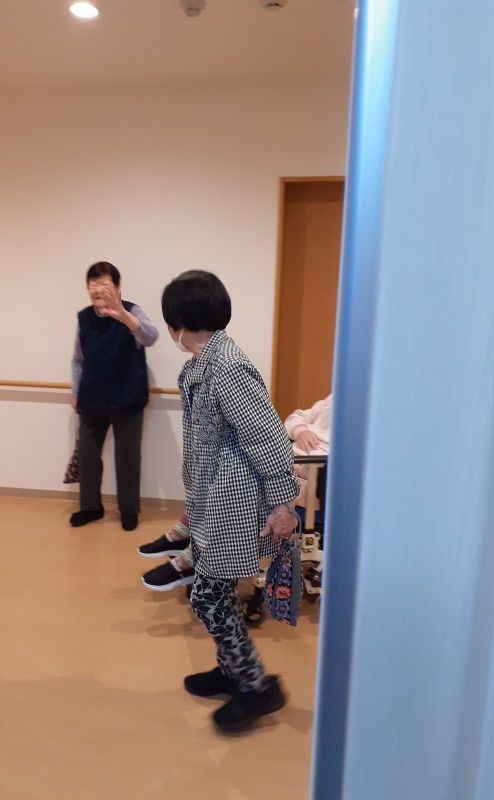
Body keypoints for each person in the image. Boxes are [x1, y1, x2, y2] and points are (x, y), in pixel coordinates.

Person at [161, 269, 300, 734]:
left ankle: (257, 686)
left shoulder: (227, 368)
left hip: (232, 505)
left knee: (206, 596)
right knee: (214, 592)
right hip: (210, 503)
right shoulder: (201, 366)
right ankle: (232, 671)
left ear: (180, 321)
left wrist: (283, 504)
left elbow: (268, 437)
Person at [138, 394, 332, 591]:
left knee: (236, 488)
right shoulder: (334, 399)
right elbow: (296, 417)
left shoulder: (352, 423)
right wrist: (301, 431)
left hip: (317, 477)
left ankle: (187, 556)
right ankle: (182, 538)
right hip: (290, 461)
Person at [69, 261, 159, 531]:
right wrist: (75, 392)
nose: (98, 289)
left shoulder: (132, 311)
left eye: (104, 284)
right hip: (91, 399)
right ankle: (90, 507)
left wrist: (123, 316)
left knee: (127, 459)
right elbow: (78, 360)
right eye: (93, 284)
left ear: (117, 288)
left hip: (127, 398)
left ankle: (128, 511)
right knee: (87, 456)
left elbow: (151, 337)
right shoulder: (84, 318)